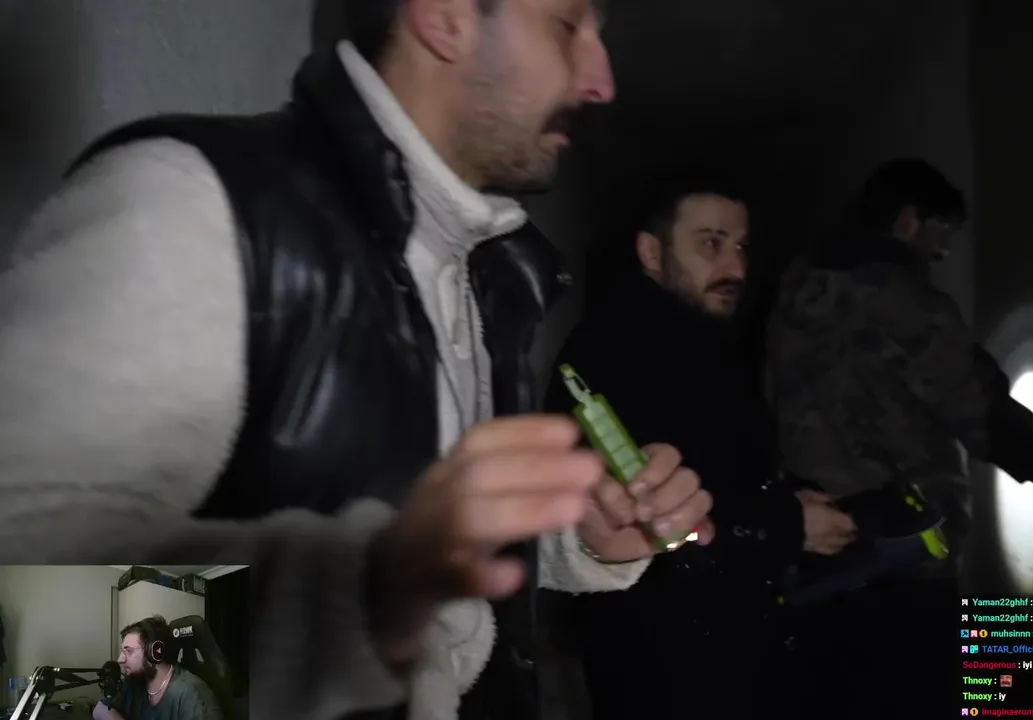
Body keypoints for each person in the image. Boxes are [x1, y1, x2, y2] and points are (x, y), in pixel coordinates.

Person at [0, 1, 715, 720]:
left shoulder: (485, 269)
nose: (600, 81)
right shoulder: (183, 198)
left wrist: (571, 541)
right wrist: (354, 608)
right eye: (566, 27)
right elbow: (29, 647)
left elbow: (435, 578)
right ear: (445, 17)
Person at [767, 158, 1033, 717]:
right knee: (917, 688)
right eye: (943, 231)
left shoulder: (796, 288)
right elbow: (973, 402)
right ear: (909, 219)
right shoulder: (904, 299)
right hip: (904, 545)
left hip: (817, 541)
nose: (942, 250)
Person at [544, 184, 856, 720]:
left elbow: (727, 471)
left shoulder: (702, 344)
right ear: (651, 252)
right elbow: (638, 527)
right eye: (712, 243)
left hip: (728, 644)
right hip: (662, 662)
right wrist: (787, 524)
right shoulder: (612, 353)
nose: (735, 267)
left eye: (741, 247)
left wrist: (789, 497)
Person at [96, 616, 222, 720]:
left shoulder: (192, 695)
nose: (120, 659)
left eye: (128, 651)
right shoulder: (133, 681)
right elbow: (100, 709)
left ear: (154, 652)